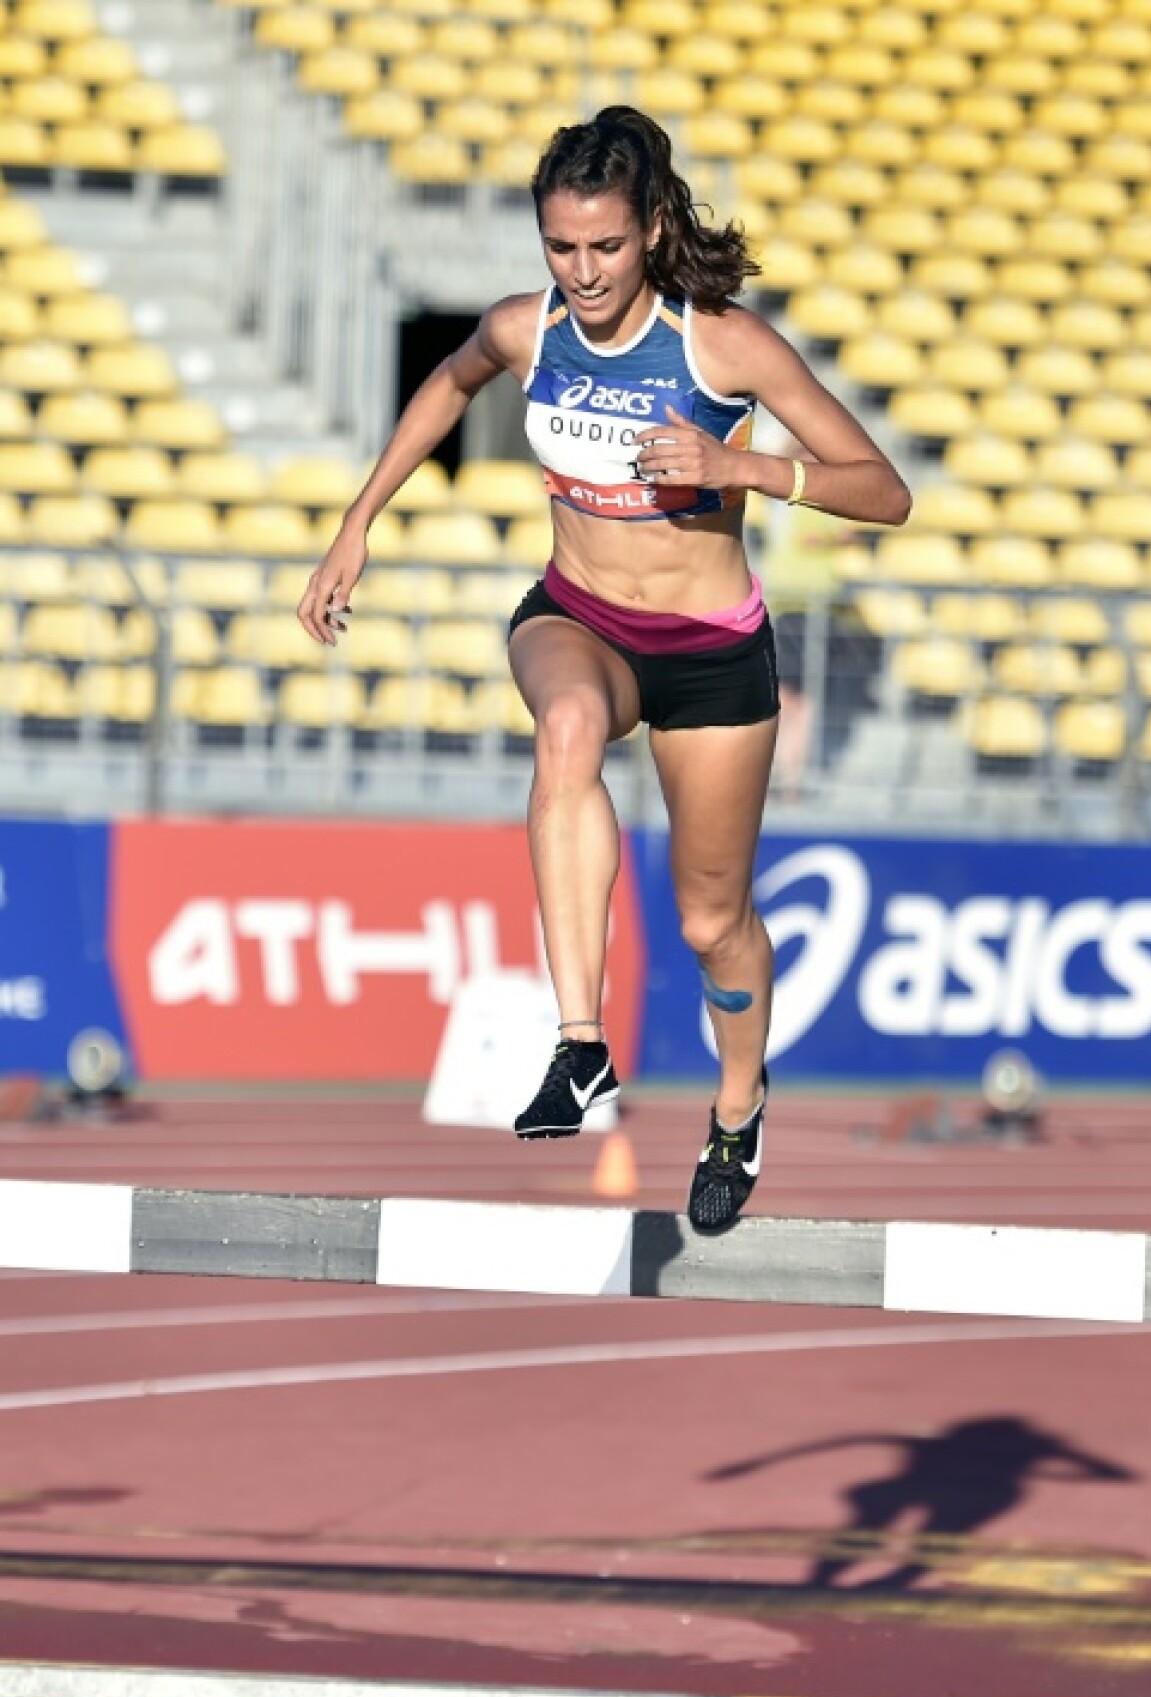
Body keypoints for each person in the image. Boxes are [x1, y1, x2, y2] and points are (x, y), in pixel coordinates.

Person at [298, 106, 910, 1230]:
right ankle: (579, 1045)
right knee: (566, 728)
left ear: (654, 227)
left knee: (710, 924)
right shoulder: (527, 329)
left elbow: (884, 489)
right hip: (577, 616)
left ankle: (736, 1105)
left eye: (606, 248)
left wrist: (746, 465)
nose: (581, 273)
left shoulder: (722, 343)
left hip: (712, 655)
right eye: (561, 248)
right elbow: (449, 380)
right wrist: (357, 522)